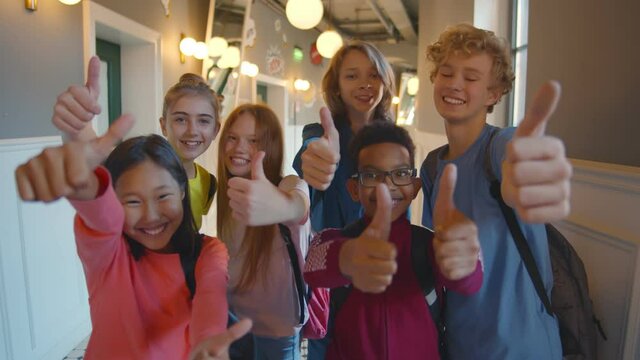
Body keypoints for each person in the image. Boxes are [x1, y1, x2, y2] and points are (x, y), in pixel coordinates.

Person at [14, 115, 251, 359]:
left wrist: (208, 339)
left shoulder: (208, 251)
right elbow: (100, 214)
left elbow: (211, 294)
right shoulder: (107, 251)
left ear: (181, 190)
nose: (151, 215)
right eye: (133, 201)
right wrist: (83, 182)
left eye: (162, 197)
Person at [420, 23, 572, 359]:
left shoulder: (501, 147)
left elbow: (516, 168)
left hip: (521, 344)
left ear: (493, 94)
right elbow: (439, 259)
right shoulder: (432, 167)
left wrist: (529, 177)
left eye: (471, 77)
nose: (455, 84)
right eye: (446, 72)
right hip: (459, 342)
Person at [303, 122, 482, 359]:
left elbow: (469, 282)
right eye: (371, 175)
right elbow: (312, 267)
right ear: (354, 189)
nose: (386, 185)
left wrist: (464, 259)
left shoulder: (429, 246)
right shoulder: (334, 239)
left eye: (400, 174)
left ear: (415, 186)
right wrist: (346, 257)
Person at [292, 41, 396, 358]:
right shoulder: (321, 133)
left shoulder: (392, 138)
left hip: (377, 270)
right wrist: (319, 159)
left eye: (373, 75)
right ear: (337, 85)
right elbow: (313, 154)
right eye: (352, 76)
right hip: (330, 272)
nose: (365, 84)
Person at [51, 56, 220, 230]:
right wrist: (75, 123)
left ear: (215, 129)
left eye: (203, 121)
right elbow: (92, 156)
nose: (192, 130)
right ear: (163, 126)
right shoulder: (136, 166)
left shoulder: (209, 183)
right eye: (181, 120)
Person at [217, 104, 311, 359]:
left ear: (270, 146)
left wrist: (281, 205)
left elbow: (298, 203)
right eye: (232, 138)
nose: (238, 148)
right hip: (233, 326)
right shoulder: (228, 195)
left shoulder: (288, 184)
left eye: (253, 141)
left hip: (276, 334)